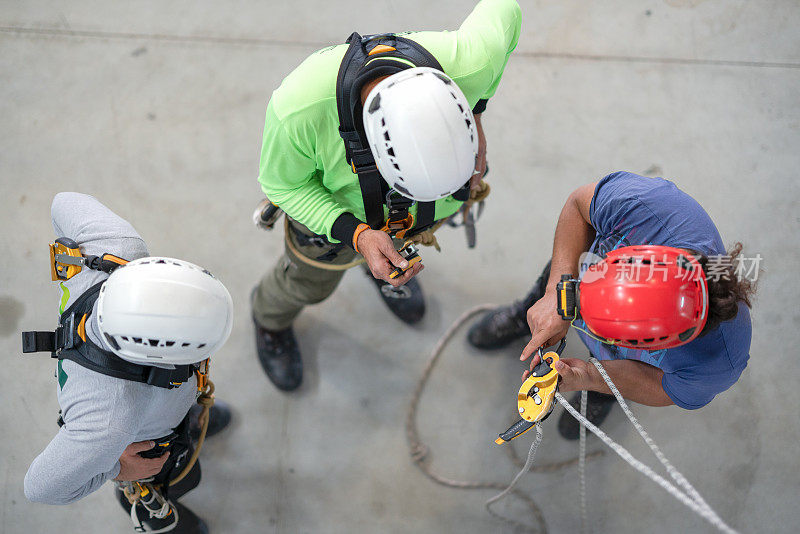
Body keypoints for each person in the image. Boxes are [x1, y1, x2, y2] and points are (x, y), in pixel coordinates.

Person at [251, 0, 522, 391]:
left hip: (415, 219)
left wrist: (476, 111)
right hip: (335, 218)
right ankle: (270, 320)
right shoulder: (300, 110)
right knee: (306, 283)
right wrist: (357, 234)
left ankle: (381, 261)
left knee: (393, 244)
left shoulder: (473, 64)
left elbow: (506, 10)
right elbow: (283, 186)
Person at [468, 172, 755, 439]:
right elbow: (579, 204)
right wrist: (557, 293)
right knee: (548, 293)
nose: (577, 312)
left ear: (652, 345)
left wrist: (590, 377)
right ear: (639, 255)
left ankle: (601, 394)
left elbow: (664, 388)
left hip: (621, 360)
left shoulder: (716, 364)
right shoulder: (647, 206)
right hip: (576, 271)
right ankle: (526, 316)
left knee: (606, 373)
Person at [23, 192, 234, 533]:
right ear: (157, 356)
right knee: (180, 479)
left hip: (156, 408)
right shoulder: (108, 423)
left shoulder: (114, 246)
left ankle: (188, 414)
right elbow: (39, 488)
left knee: (176, 411)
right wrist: (119, 470)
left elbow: (62, 202)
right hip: (148, 446)